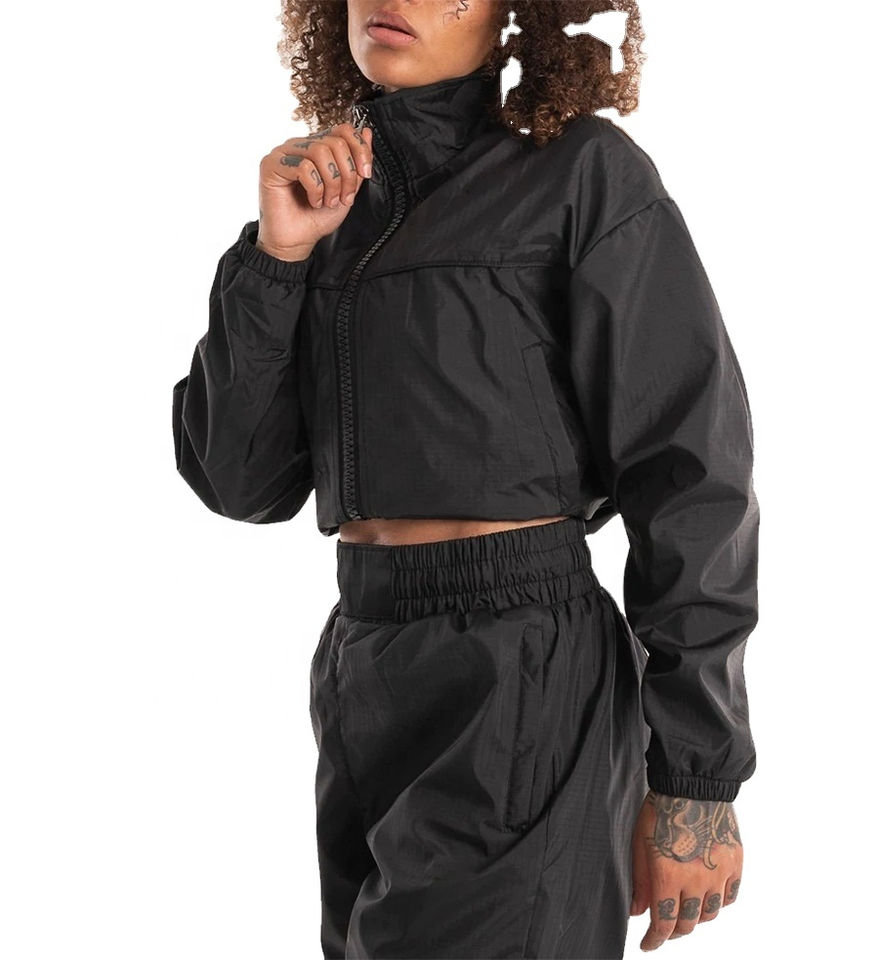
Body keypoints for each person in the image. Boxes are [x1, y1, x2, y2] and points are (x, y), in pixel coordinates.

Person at [170, 2, 760, 957]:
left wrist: (695, 776)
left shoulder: (582, 173)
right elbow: (241, 481)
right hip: (363, 659)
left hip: (519, 663)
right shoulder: (327, 208)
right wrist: (279, 259)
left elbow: (691, 475)